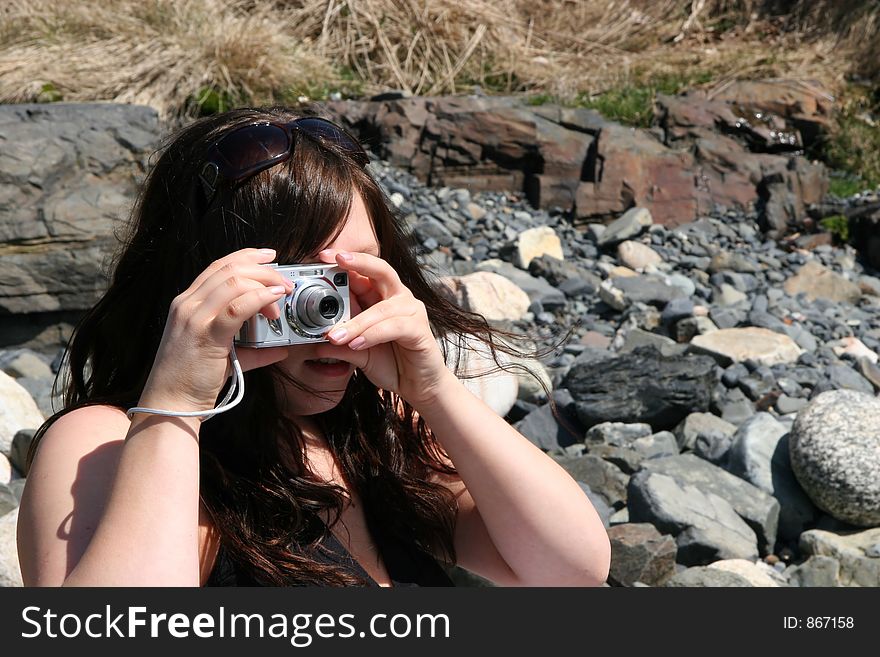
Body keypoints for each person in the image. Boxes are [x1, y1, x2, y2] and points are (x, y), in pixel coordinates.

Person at [16, 107, 611, 587]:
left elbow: (570, 571)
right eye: (301, 282)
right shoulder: (107, 442)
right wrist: (177, 402)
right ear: (201, 283)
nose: (330, 310)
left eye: (351, 274)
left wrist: (434, 389)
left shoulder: (376, 433)